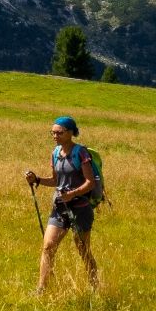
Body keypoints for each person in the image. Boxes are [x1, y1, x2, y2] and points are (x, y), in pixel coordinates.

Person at [24, 115, 99, 294]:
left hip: (80, 209)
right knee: (48, 246)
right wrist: (37, 180)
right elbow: (56, 180)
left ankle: (95, 286)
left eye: (59, 132)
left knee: (82, 249)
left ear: (71, 133)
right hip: (59, 208)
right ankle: (41, 289)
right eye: (53, 133)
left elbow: (90, 183)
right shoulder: (55, 153)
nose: (55, 136)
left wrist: (72, 194)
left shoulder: (80, 153)